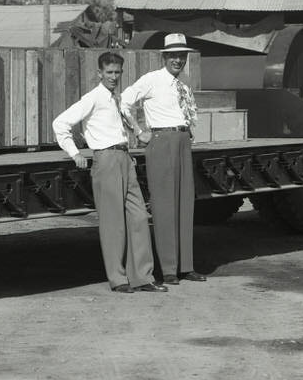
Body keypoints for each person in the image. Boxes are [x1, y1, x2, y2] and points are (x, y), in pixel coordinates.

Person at [52, 52, 166, 294]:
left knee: (138, 217)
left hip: (125, 158)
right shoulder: (92, 98)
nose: (114, 77)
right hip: (105, 159)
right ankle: (118, 278)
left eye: (118, 72)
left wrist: (138, 132)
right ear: (100, 73)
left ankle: (143, 277)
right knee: (113, 223)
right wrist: (75, 153)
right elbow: (60, 123)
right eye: (109, 72)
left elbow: (124, 123)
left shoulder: (117, 99)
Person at [120, 33, 204, 284]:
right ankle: (168, 269)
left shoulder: (184, 84)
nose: (178, 60)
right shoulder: (152, 80)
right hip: (161, 141)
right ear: (164, 56)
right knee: (165, 206)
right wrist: (138, 131)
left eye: (182, 55)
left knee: (185, 203)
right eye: (173, 55)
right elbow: (124, 102)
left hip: (182, 141)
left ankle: (185, 266)